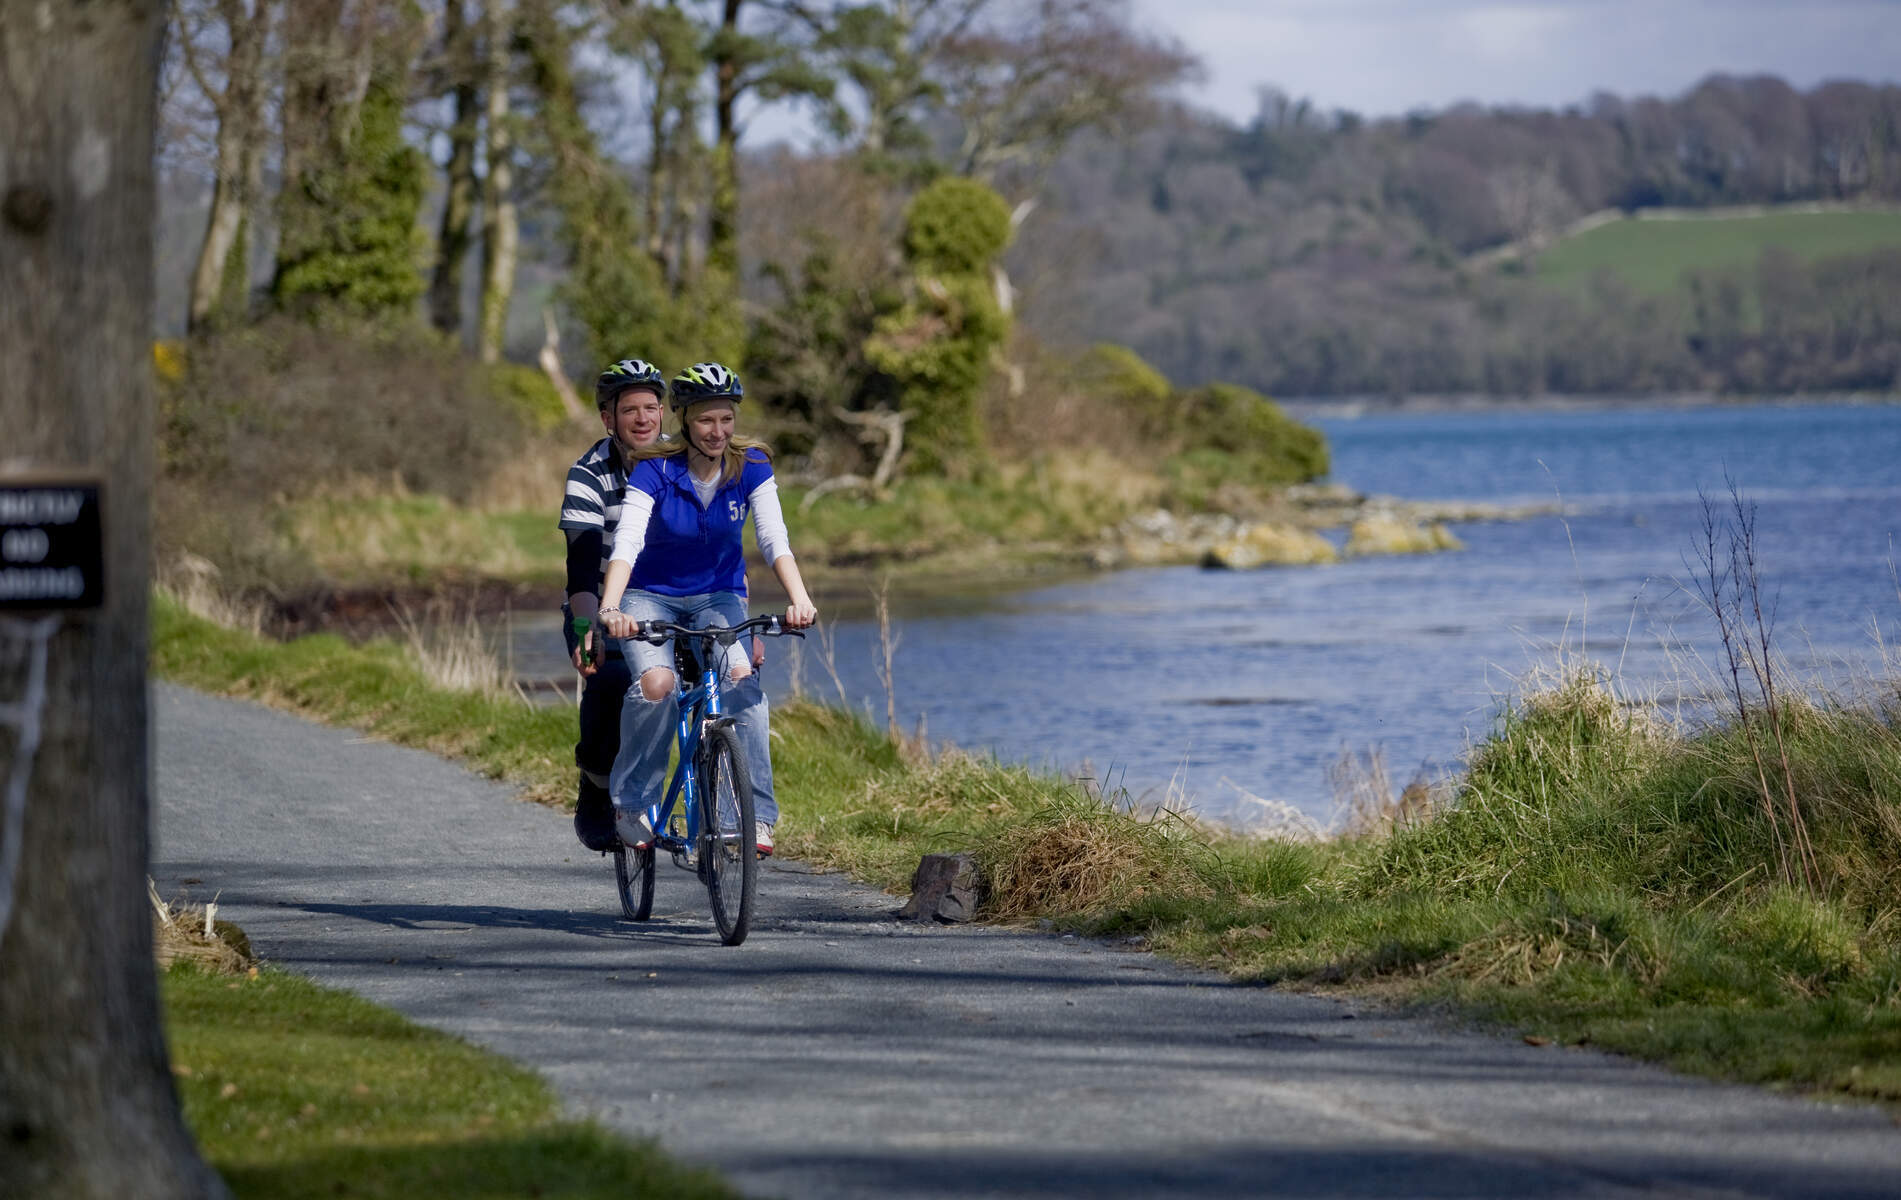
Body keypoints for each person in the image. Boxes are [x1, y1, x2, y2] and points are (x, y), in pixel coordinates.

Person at [596, 362, 817, 855]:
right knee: (658, 686)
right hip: (648, 595)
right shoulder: (655, 470)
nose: (718, 432)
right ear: (684, 421)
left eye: (727, 419)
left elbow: (772, 536)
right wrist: (611, 607)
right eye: (706, 421)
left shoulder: (751, 466)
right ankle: (632, 802)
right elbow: (627, 542)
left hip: (719, 598)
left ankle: (753, 817)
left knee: (741, 683)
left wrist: (799, 598)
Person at [558, 359, 668, 851]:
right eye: (630, 410)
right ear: (609, 419)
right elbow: (581, 566)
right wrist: (586, 626)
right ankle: (598, 785)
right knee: (609, 678)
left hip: (672, 607)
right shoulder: (588, 474)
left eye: (651, 408)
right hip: (602, 604)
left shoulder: (684, 467)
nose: (643, 419)